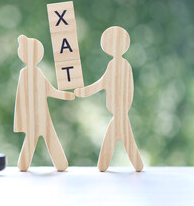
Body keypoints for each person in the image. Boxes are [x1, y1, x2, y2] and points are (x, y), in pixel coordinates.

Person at [74, 26, 144, 172]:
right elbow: (103, 83)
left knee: (117, 138)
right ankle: (133, 164)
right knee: (124, 138)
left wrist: (123, 108)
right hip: (120, 112)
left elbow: (122, 87)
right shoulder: (115, 65)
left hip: (120, 111)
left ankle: (111, 165)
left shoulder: (123, 66)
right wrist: (84, 92)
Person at [14, 35, 75, 172]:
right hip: (32, 118)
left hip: (43, 116)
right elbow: (20, 99)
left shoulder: (38, 73)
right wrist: (21, 120)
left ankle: (60, 164)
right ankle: (26, 164)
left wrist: (65, 95)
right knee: (33, 139)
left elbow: (49, 90)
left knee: (47, 137)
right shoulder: (24, 74)